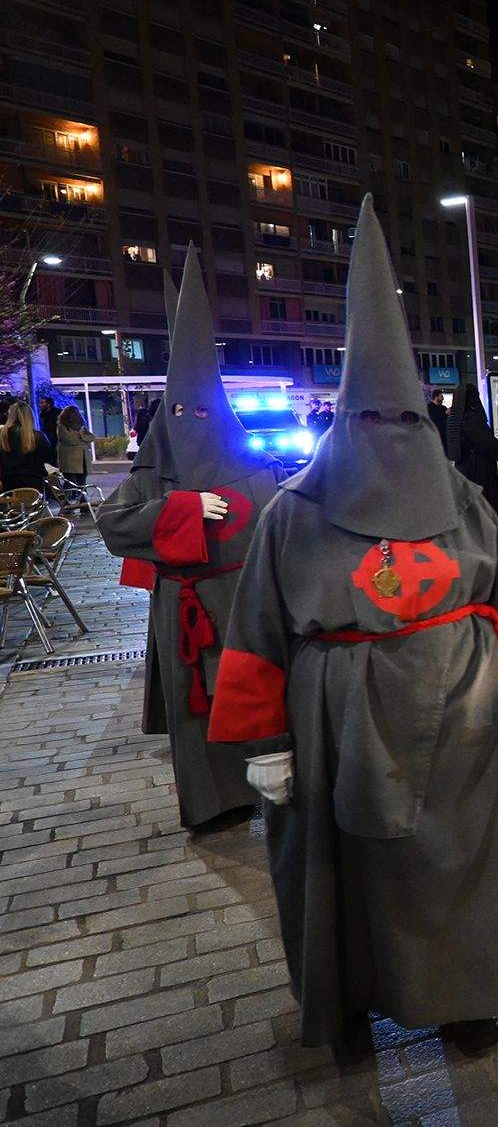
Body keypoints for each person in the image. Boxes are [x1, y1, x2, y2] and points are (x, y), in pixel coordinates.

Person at [209, 196, 498, 1057]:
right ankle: (350, 1001)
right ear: (344, 418)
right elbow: (257, 627)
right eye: (376, 419)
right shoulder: (296, 513)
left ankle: (464, 998)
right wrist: (269, 742)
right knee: (338, 871)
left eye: (407, 419)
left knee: (456, 862)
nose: (393, 436)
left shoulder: (465, 501)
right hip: (334, 728)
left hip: (466, 720)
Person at [97, 250, 284, 830]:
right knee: (194, 708)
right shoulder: (154, 474)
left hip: (243, 608)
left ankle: (268, 783)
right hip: (182, 608)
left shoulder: (257, 470)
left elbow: (286, 532)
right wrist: (182, 509)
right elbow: (113, 524)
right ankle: (210, 804)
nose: (188, 421)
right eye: (177, 410)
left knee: (249, 695)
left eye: (200, 410)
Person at [445, 381, 498, 520]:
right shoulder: (471, 418)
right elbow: (486, 442)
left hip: (463, 470)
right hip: (479, 471)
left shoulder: (453, 419)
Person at [0, 402, 53, 493]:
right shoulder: (38, 437)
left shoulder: (2, 437)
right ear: (30, 416)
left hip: (9, 483)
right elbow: (48, 458)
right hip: (34, 483)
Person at [54, 404, 97, 488]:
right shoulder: (62, 426)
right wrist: (83, 440)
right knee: (70, 481)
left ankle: (82, 498)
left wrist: (81, 435)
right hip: (70, 459)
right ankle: (69, 498)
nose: (74, 415)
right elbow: (70, 440)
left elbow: (91, 437)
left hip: (83, 458)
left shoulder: (81, 425)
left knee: (82, 480)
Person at [36, 395, 59, 466]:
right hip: (47, 438)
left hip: (54, 439)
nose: (40, 405)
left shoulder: (56, 413)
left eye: (42, 403)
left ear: (48, 404)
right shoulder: (42, 414)